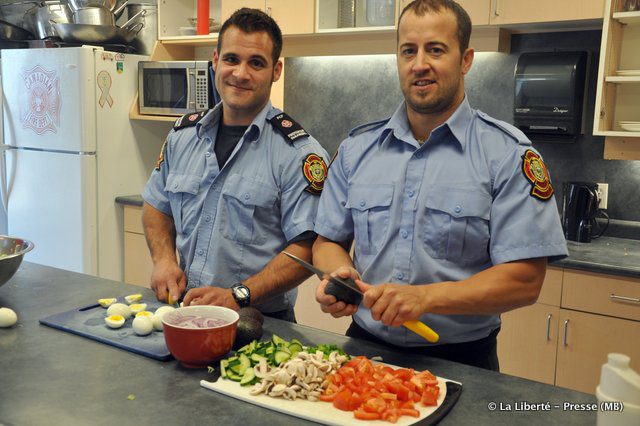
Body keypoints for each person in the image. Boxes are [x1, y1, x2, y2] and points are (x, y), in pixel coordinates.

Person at [312, 0, 568, 370]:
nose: (419, 65)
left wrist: (426, 298)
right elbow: (327, 242)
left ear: (465, 60)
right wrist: (338, 275)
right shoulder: (356, 150)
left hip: (462, 361)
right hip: (363, 350)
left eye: (435, 49)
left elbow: (525, 280)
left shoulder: (508, 155)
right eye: (408, 51)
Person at [142, 8, 329, 322]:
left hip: (260, 322)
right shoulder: (183, 136)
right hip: (185, 311)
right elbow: (156, 206)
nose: (240, 74)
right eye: (231, 59)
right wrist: (163, 260)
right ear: (215, 60)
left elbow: (308, 247)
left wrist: (240, 294)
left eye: (256, 63)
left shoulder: (299, 154)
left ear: (276, 70)